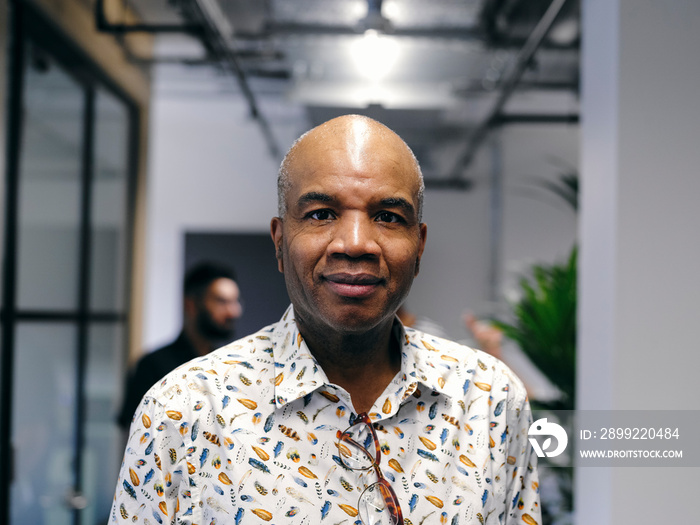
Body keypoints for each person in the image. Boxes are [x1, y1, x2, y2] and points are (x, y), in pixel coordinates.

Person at [111, 115, 541, 525]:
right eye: (321, 213)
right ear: (280, 241)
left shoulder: (490, 402)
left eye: (388, 217)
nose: (355, 244)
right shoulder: (182, 410)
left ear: (419, 246)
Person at [116, 262, 242, 430]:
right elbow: (133, 435)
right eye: (221, 301)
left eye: (234, 301)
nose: (234, 311)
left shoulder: (229, 367)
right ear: (190, 305)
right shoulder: (152, 366)